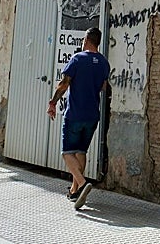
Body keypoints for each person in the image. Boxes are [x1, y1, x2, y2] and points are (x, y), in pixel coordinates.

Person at [47, 27, 110, 210]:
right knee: (81, 151)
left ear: (86, 39)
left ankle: (82, 184)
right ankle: (75, 191)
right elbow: (103, 87)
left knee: (67, 153)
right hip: (92, 116)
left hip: (75, 114)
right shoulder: (104, 64)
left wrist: (52, 102)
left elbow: (64, 84)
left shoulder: (77, 59)